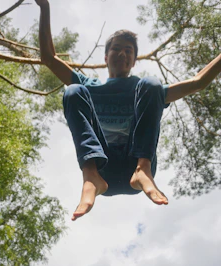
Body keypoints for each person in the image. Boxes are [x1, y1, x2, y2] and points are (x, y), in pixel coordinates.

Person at [35, 0, 221, 221]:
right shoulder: (89, 86)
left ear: (133, 61)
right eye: (116, 49)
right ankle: (90, 176)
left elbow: (198, 82)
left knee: (151, 84)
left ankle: (143, 169)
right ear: (106, 58)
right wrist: (44, 7)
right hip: (102, 167)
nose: (122, 53)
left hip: (135, 164)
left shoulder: (143, 90)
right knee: (74, 91)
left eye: (128, 50)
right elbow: (48, 58)